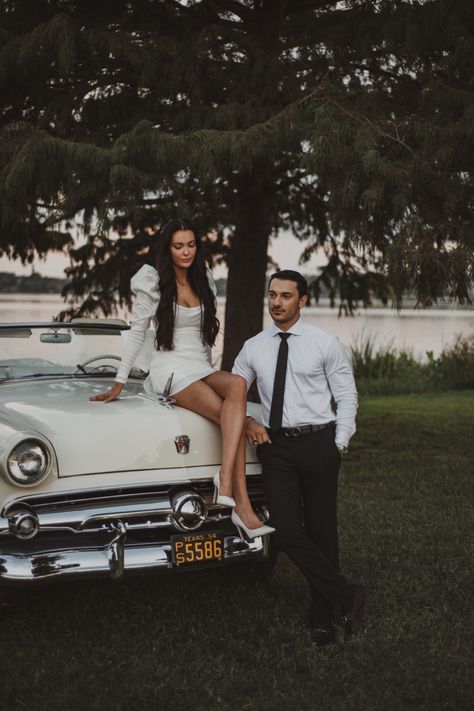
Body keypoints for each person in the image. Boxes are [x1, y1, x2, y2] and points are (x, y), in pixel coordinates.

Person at [90, 218, 273, 538]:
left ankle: (226, 482)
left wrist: (211, 376)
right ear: (167, 249)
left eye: (191, 245)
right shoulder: (151, 280)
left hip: (199, 364)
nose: (185, 251)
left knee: (238, 384)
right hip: (169, 368)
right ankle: (241, 504)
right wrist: (120, 380)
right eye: (178, 246)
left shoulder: (205, 279)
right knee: (232, 419)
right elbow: (136, 333)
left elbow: (203, 340)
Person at [232, 269, 365, 646]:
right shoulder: (253, 346)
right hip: (275, 448)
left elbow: (348, 397)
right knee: (287, 529)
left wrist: (338, 443)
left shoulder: (325, 343)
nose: (276, 302)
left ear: (302, 300)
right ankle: (346, 595)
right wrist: (244, 421)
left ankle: (323, 615)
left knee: (323, 531)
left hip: (318, 442)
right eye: (272, 295)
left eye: (285, 296)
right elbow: (233, 393)